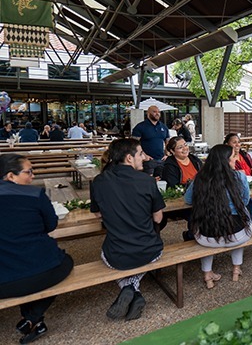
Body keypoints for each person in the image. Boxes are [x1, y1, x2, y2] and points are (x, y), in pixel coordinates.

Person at [0, 154, 74, 344]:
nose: (33, 176)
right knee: (66, 261)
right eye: (29, 172)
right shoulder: (34, 195)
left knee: (21, 270)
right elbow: (51, 225)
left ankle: (34, 320)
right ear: (10, 176)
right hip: (44, 271)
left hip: (4, 282)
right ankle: (33, 317)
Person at [90, 139, 164, 321]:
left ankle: (130, 289)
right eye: (141, 154)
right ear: (130, 158)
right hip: (150, 250)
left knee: (108, 256)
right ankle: (132, 289)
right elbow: (158, 218)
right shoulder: (147, 181)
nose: (144, 158)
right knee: (144, 257)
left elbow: (98, 215)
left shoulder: (98, 181)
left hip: (116, 255)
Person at [184, 144, 252, 289]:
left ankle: (207, 273)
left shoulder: (200, 178)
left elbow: (188, 200)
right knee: (243, 216)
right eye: (234, 156)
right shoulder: (239, 176)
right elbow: (245, 202)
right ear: (226, 160)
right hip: (238, 236)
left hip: (205, 238)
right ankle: (236, 268)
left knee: (208, 219)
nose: (236, 159)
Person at [224, 133, 252, 225]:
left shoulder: (245, 155)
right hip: (239, 191)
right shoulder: (226, 159)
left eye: (238, 142)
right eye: (234, 142)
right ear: (227, 145)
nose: (237, 145)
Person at [132, 105, 170, 176]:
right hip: (148, 161)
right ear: (148, 113)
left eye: (158, 112)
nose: (157, 113)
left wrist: (167, 154)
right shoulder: (140, 127)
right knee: (147, 182)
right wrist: (143, 155)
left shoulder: (164, 127)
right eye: (154, 112)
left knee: (162, 182)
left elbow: (168, 142)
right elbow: (133, 144)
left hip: (162, 160)